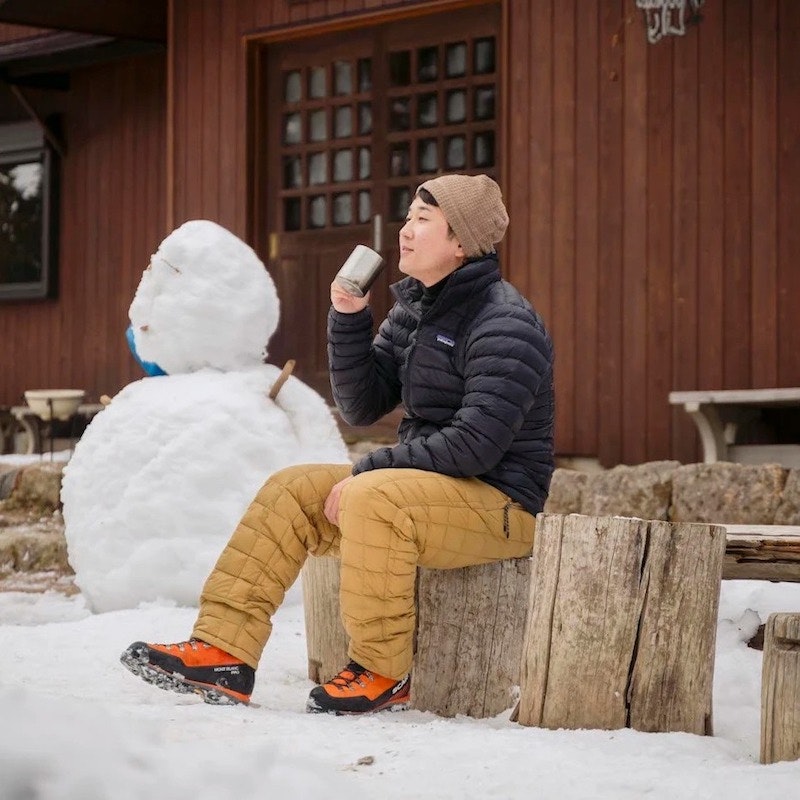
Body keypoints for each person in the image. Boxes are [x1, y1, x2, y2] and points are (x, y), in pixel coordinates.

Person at [121, 173, 555, 715]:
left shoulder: (505, 323)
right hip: (426, 491)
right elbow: (362, 405)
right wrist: (349, 319)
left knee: (374, 495)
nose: (406, 231)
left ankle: (382, 673)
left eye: (423, 220)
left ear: (462, 242)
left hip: (500, 506)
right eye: (409, 218)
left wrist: (370, 470)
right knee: (292, 488)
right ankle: (223, 650)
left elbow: (475, 445)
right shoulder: (417, 309)